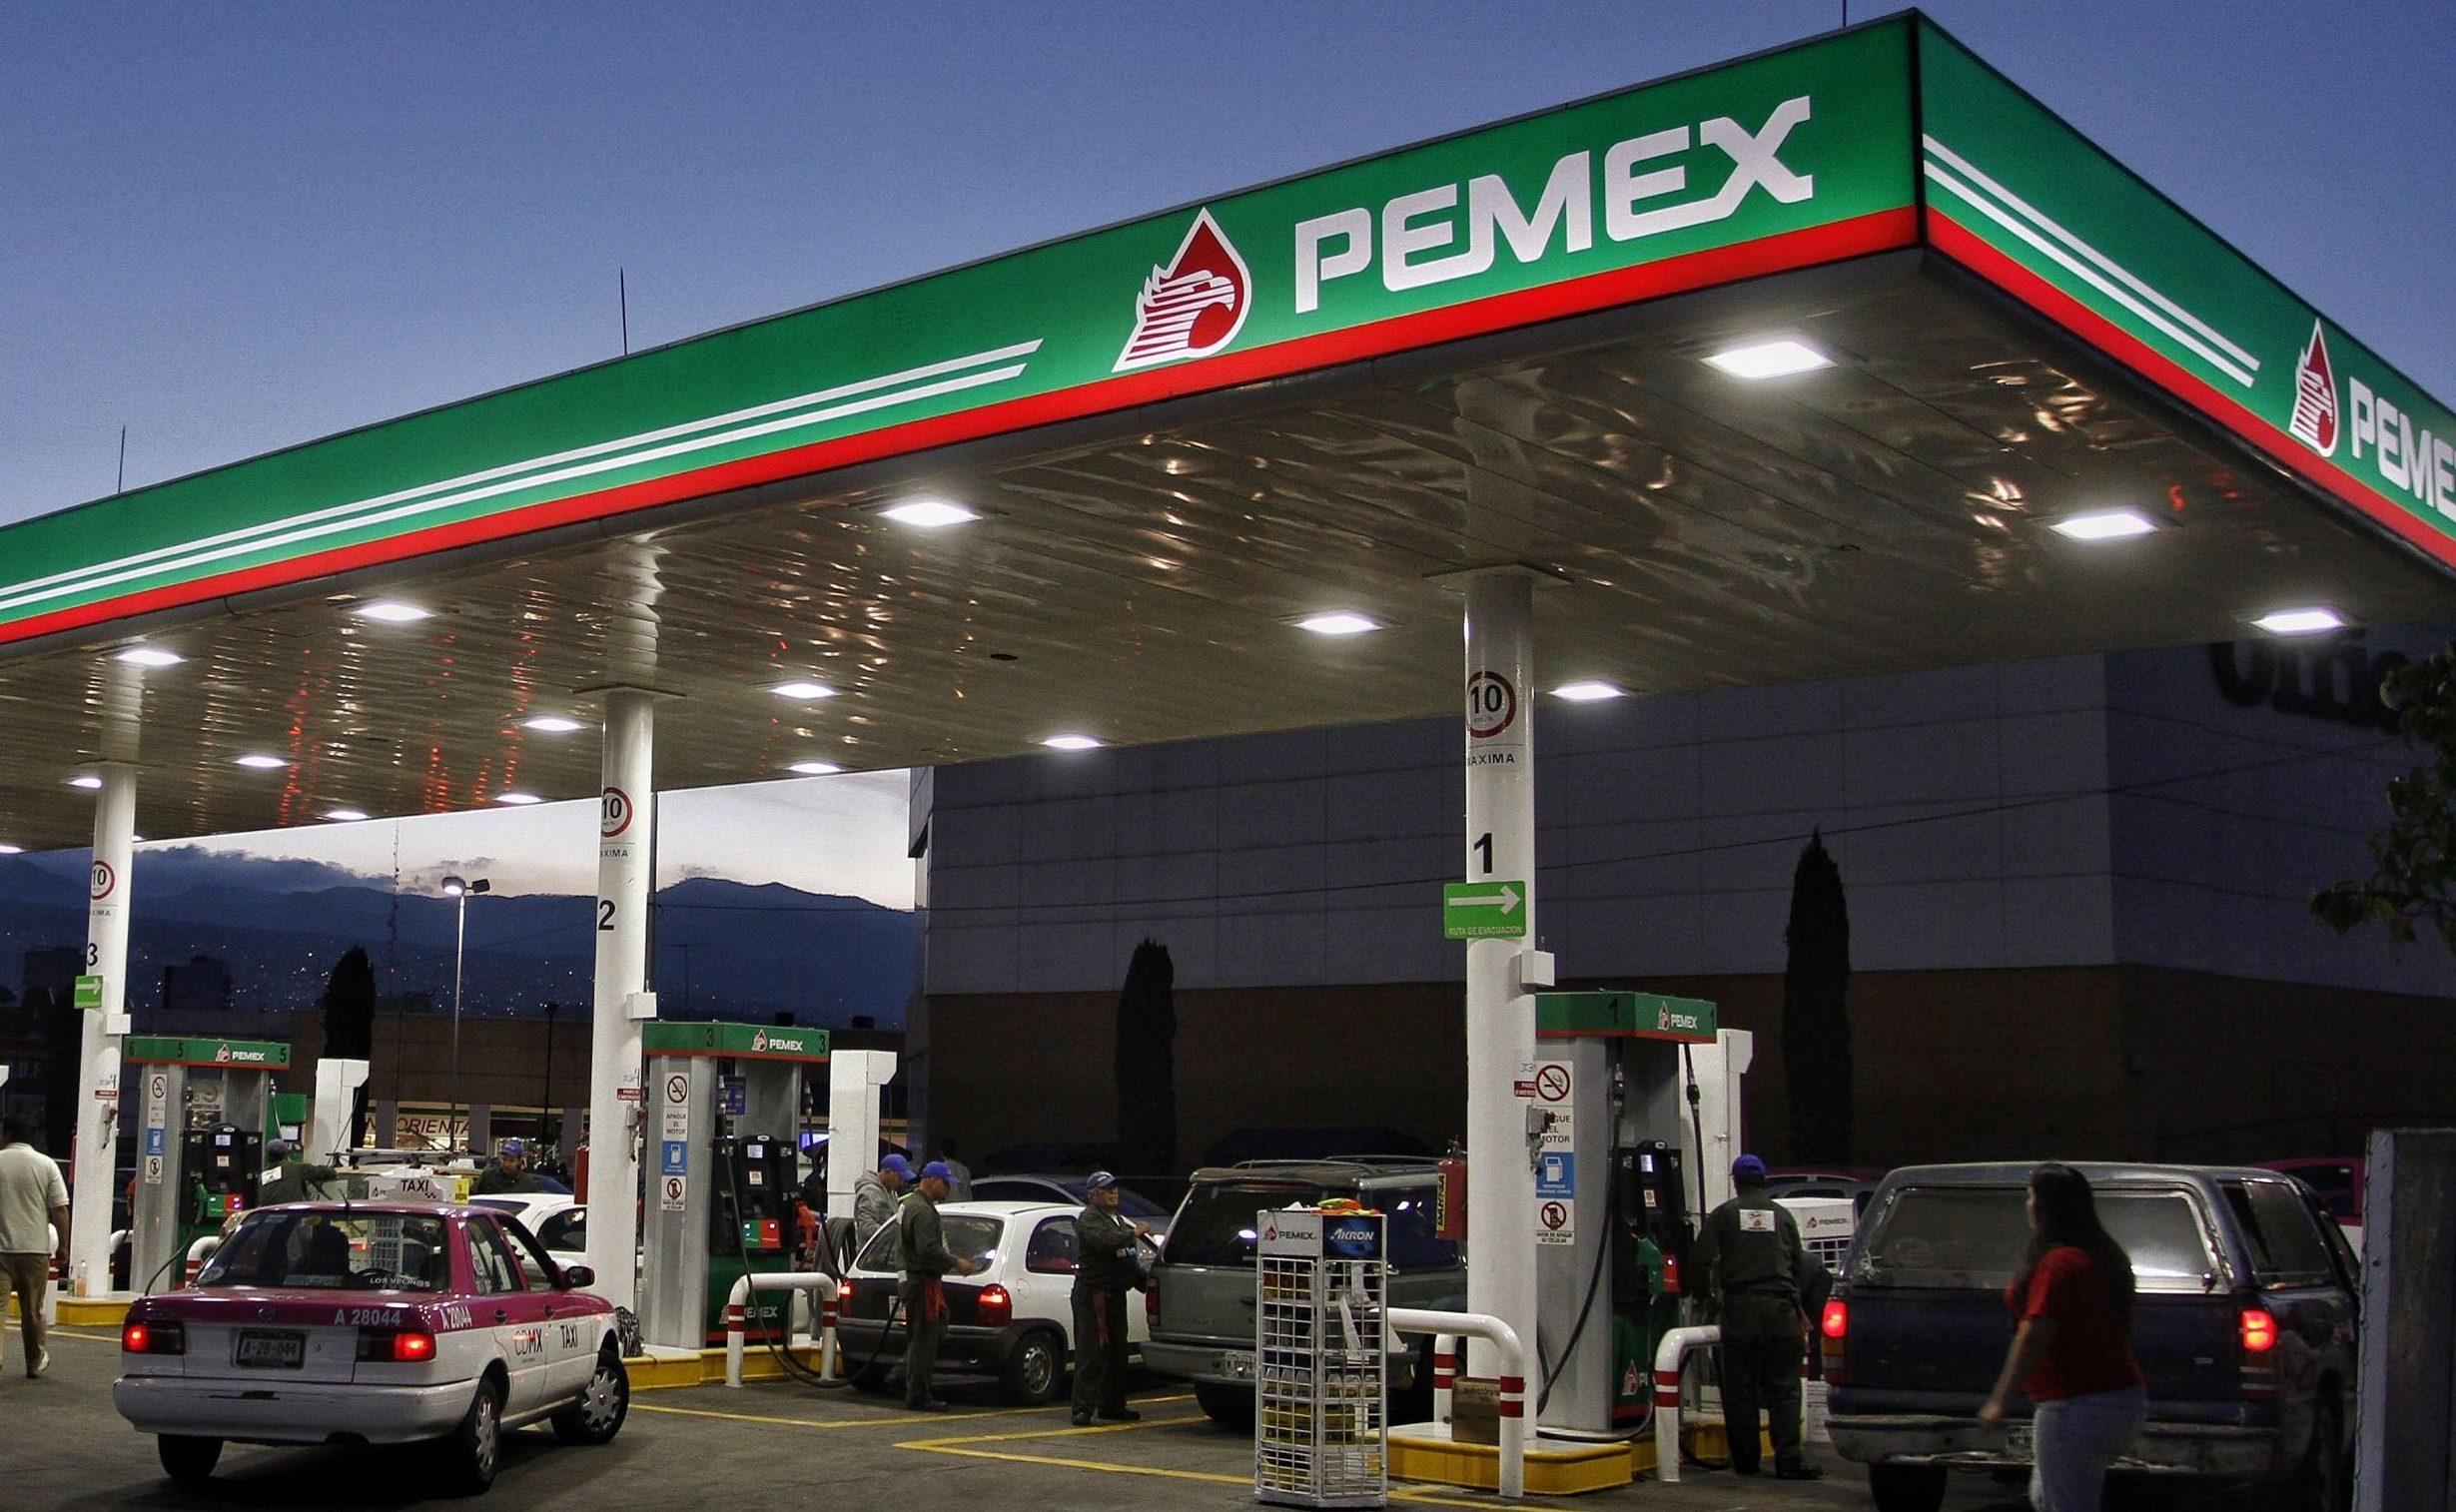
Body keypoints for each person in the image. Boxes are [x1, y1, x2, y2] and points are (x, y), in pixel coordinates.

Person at [1980, 1163, 2146, 1512]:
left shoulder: (2061, 1264)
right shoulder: (2103, 1255)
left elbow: (2035, 1334)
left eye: (2031, 1196)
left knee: (2067, 1504)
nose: (2027, 1204)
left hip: (2075, 1405)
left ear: (2044, 1206)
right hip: (2119, 1398)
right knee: (2045, 1498)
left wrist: (2000, 1400)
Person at [1689, 1153, 1820, 1480]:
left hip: (1741, 1311)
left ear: (1736, 1182)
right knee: (1785, 1389)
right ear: (1764, 1179)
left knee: (1740, 1389)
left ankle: (1747, 1462)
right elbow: (1797, 1265)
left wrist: (1703, 1295)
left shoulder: (1724, 1215)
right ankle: (1789, 1461)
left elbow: (1700, 1260)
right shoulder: (1783, 1216)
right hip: (1781, 1312)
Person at [896, 1159, 979, 1410]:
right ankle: (918, 1395)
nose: (948, 1189)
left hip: (913, 1279)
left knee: (921, 1337)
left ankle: (906, 1382)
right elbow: (927, 1249)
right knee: (924, 1341)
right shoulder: (922, 1211)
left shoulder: (910, 1205)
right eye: (945, 1184)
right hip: (921, 1281)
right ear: (932, 1181)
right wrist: (956, 1262)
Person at [1070, 1170, 1150, 1426]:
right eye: (1106, 1189)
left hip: (1115, 1295)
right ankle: (1082, 1409)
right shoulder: (1090, 1218)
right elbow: (1104, 1243)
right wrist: (1133, 1234)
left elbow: (1127, 1259)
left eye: (1115, 1188)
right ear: (1093, 1195)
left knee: (1117, 1353)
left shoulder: (1118, 1221)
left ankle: (1112, 1406)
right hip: (1093, 1296)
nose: (1113, 1192)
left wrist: (1148, 1284)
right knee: (1091, 1353)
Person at [0, 1117, 69, 1379]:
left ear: (7, 1134)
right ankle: (35, 1361)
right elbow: (60, 1209)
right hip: (34, 1251)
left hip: (0, 1251)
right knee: (32, 1311)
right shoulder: (46, 1164)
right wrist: (63, 1246)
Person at [854, 1152, 911, 1253]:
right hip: (873, 1255)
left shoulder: (890, 1190)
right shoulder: (869, 1193)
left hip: (887, 1251)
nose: (902, 1182)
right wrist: (893, 1237)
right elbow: (867, 1226)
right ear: (888, 1172)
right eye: (900, 1178)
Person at [256, 1140, 340, 1207]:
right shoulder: (295, 1168)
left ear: (267, 1157)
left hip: (267, 1218)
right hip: (291, 1217)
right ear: (286, 1154)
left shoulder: (262, 1176)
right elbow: (326, 1172)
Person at [470, 1137, 550, 1196]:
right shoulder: (488, 1176)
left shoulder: (527, 1183)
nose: (506, 1164)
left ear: (519, 1161)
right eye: (504, 1159)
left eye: (512, 1161)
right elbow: (472, 1197)